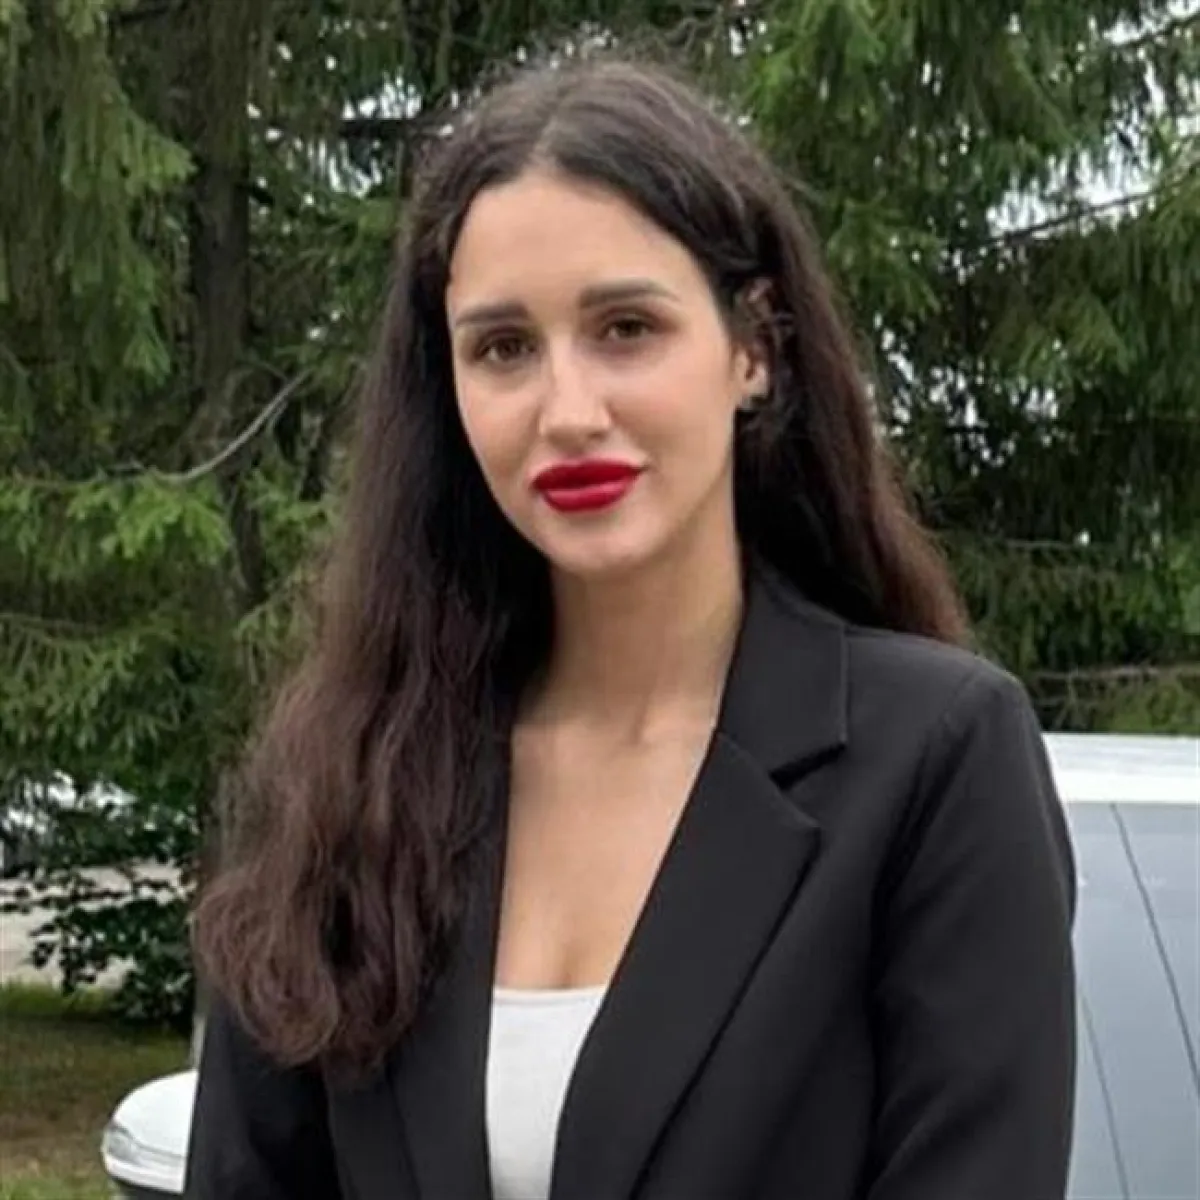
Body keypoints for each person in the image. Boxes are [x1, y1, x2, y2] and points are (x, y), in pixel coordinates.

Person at [184, 54, 1077, 1200]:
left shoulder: (932, 761)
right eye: (504, 347)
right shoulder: (350, 770)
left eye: (625, 327)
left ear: (753, 348)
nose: (568, 411)